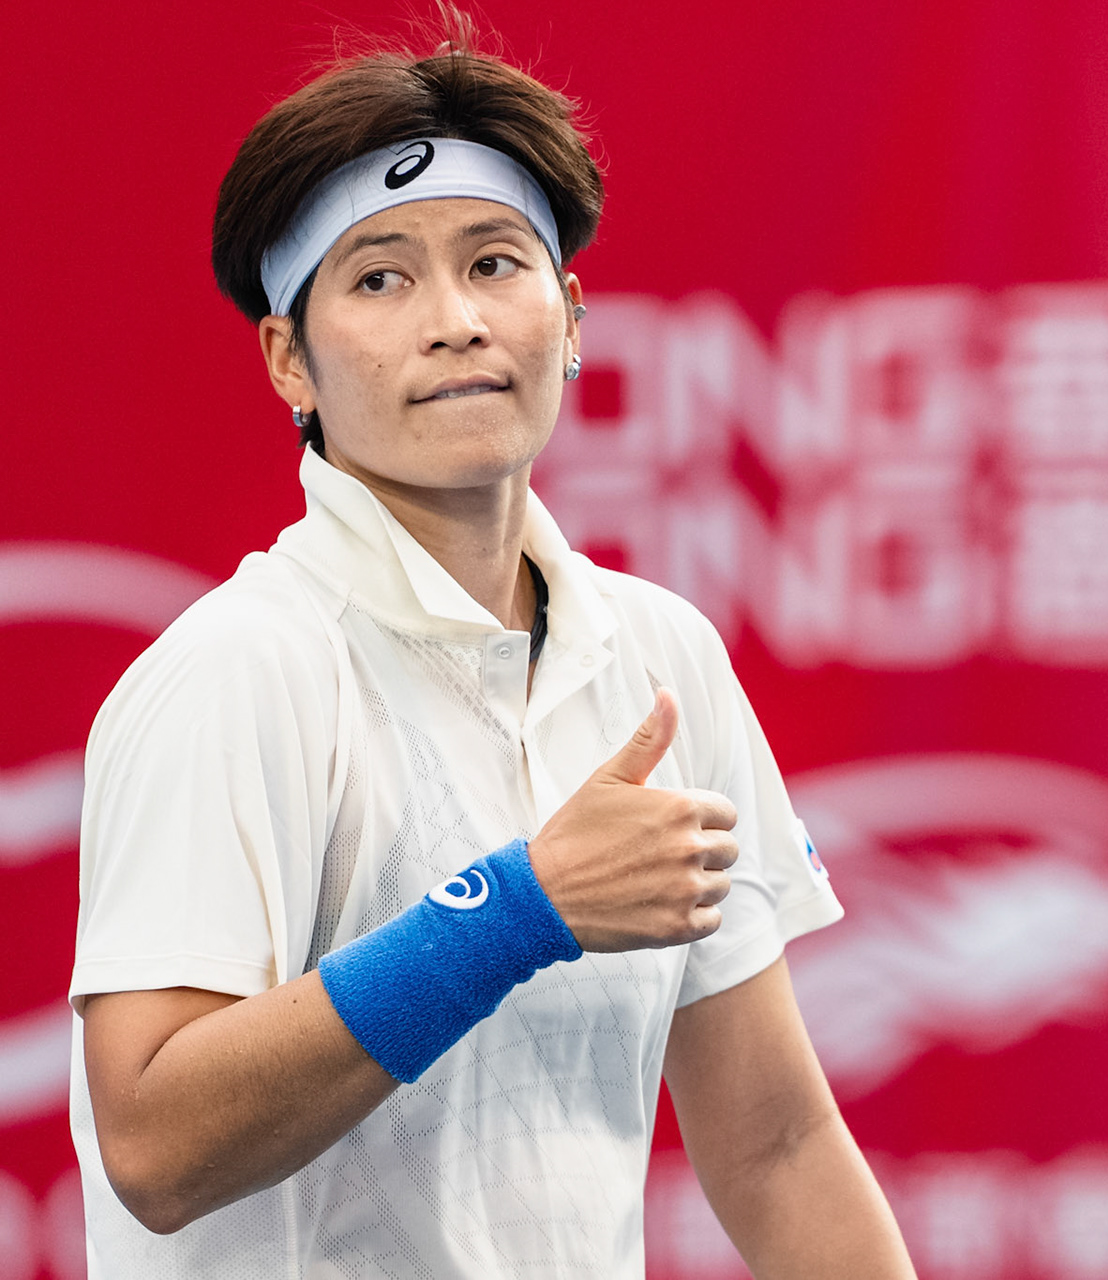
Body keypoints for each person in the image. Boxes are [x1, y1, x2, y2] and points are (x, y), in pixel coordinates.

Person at [69, 22, 915, 1278]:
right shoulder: (236, 672)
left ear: (569, 318)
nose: (456, 320)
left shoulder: (661, 655)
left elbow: (777, 1143)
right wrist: (518, 910)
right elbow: (153, 1143)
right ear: (287, 359)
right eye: (379, 279)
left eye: (495, 261)